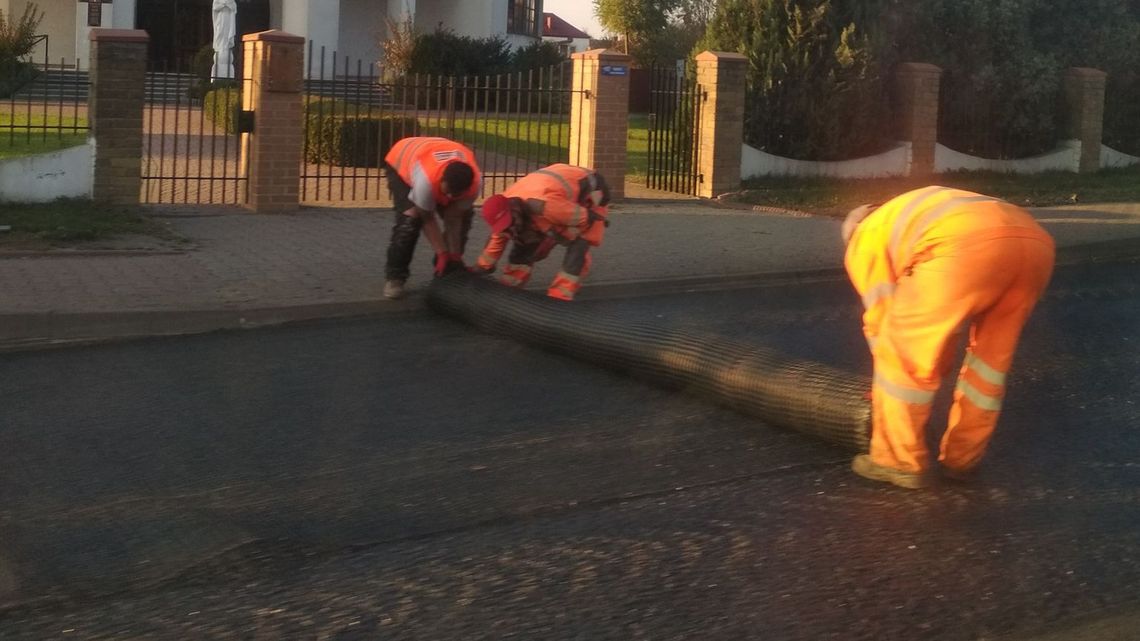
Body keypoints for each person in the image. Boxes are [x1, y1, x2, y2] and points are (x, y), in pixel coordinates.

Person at [841, 186, 1055, 489]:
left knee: (902, 358)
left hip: (964, 248)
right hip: (1035, 247)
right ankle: (962, 460)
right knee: (989, 367)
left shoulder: (866, 239)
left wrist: (886, 389)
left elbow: (885, 325)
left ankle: (897, 461)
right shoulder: (914, 211)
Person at [475, 164, 611, 301]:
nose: (508, 229)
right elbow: (497, 240)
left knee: (578, 246)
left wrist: (552, 238)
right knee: (524, 240)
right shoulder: (503, 206)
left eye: (510, 223)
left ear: (515, 211)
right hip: (554, 191)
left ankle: (559, 297)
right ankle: (510, 290)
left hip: (591, 194)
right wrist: (482, 267)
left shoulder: (546, 206)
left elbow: (584, 220)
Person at [383, 136, 482, 300]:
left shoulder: (475, 183)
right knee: (411, 220)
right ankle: (395, 277)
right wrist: (442, 252)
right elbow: (427, 219)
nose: (449, 197)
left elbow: (454, 219)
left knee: (465, 218)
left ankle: (448, 272)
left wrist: (454, 255)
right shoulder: (425, 180)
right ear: (442, 180)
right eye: (447, 192)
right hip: (402, 158)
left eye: (455, 195)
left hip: (436, 151)